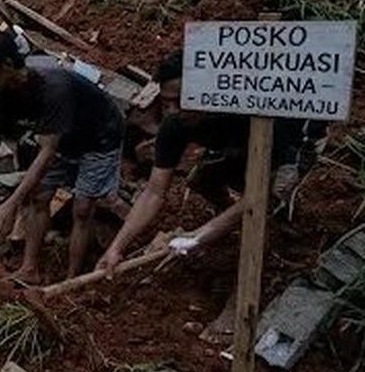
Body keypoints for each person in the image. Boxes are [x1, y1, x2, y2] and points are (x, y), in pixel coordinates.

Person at [97, 50, 325, 274]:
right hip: (239, 151)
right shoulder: (175, 123)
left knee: (275, 193)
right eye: (167, 103)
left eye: (182, 100)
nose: (174, 110)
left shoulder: (249, 108)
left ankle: (279, 234)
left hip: (290, 148)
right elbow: (154, 191)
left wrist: (201, 235)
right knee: (202, 179)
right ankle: (233, 218)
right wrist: (116, 248)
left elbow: (258, 193)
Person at [0, 32, 125, 283]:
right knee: (39, 197)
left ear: (7, 65)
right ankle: (30, 269)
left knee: (82, 208)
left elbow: (46, 153)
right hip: (64, 139)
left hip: (99, 137)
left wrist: (12, 202)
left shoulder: (52, 89)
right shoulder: (1, 97)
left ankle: (73, 279)